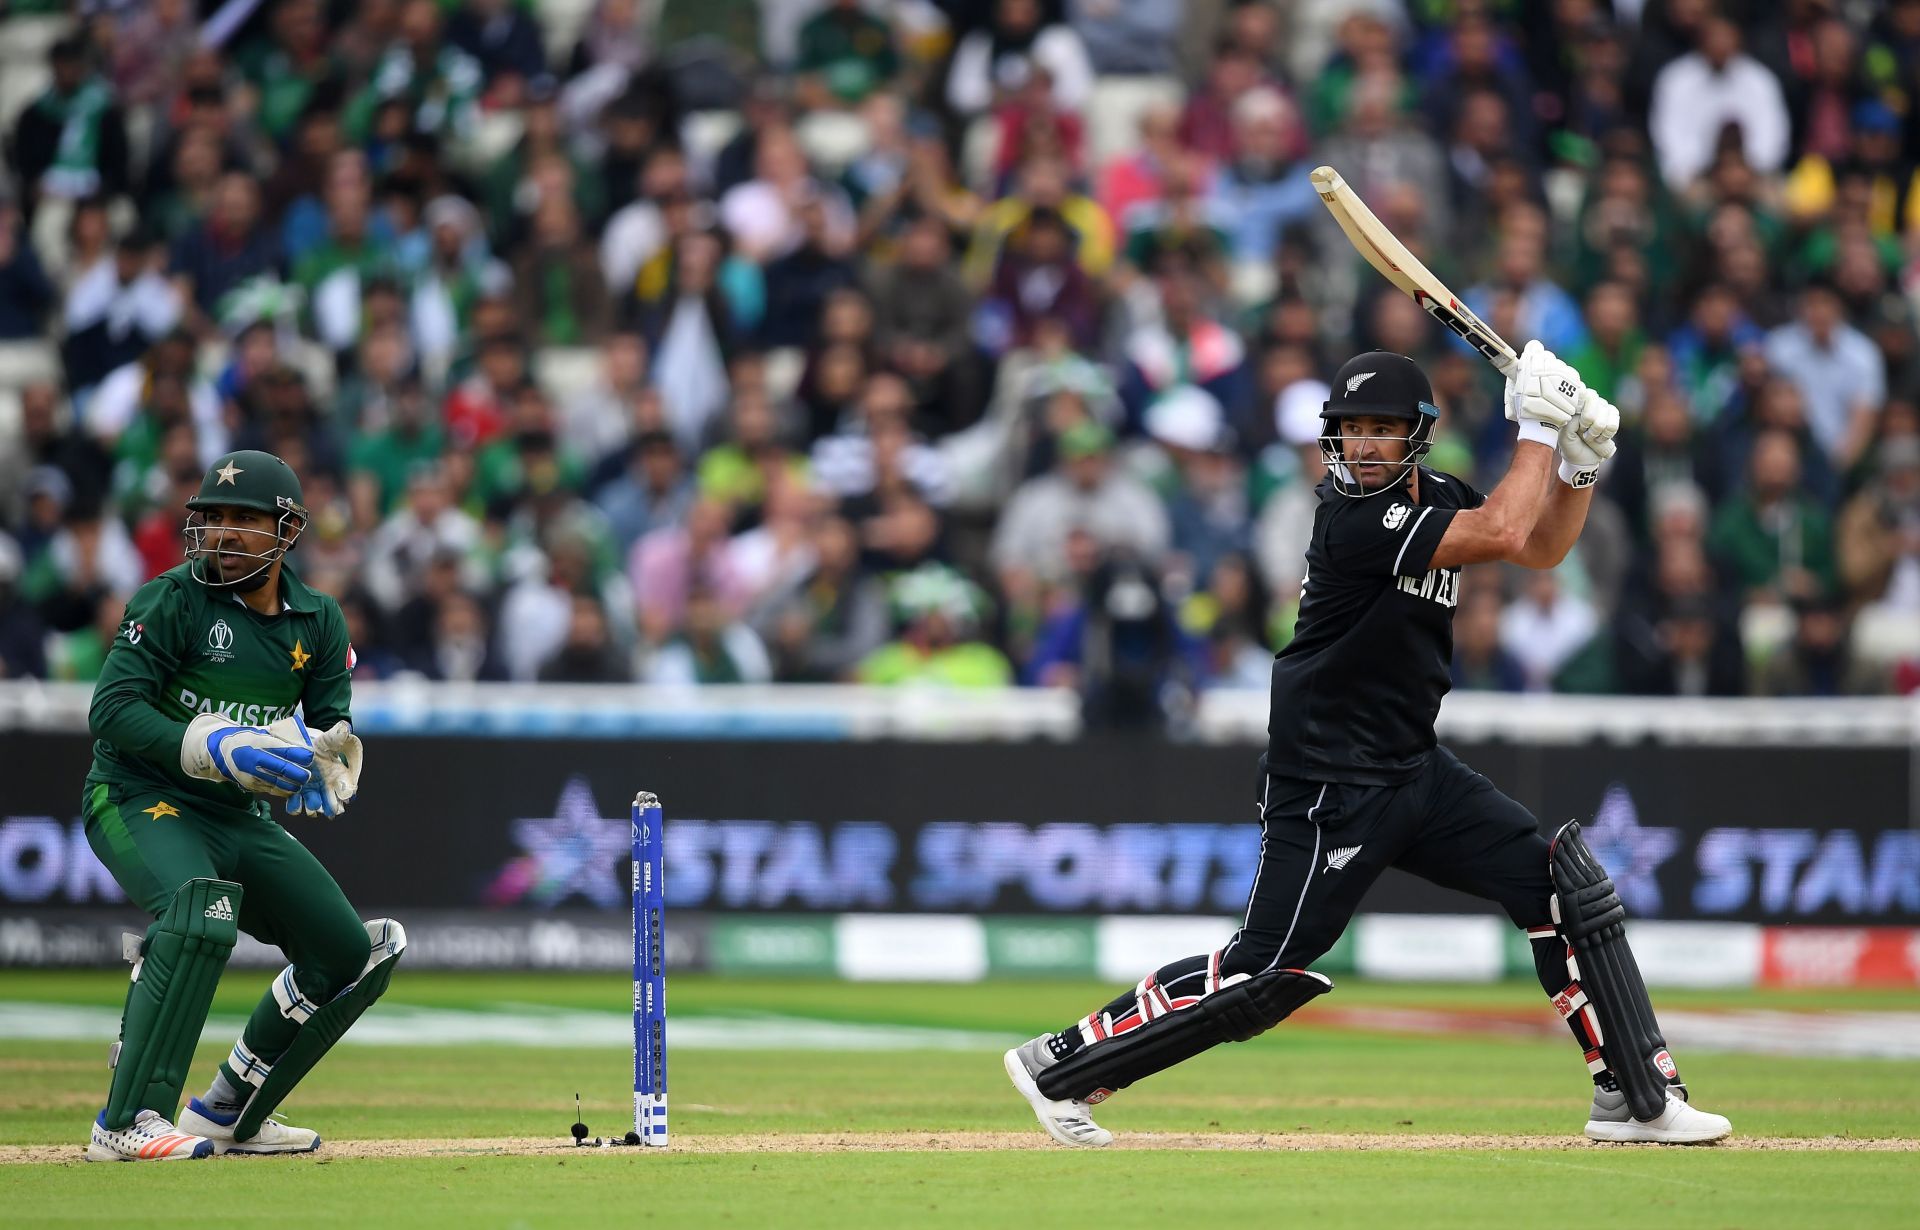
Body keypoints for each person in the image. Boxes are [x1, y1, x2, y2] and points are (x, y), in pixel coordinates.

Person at [1004, 345, 1733, 1148]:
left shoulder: (1438, 498)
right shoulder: (1351, 521)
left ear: (1418, 436)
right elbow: (1503, 526)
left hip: (1415, 770)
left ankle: (1635, 1097)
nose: (1362, 447)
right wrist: (1538, 425)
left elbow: (1538, 547)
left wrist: (1581, 465)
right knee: (1261, 968)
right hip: (1328, 784)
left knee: (1560, 890)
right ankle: (1057, 1067)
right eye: (1349, 432)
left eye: (1382, 430)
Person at [78, 449, 396, 1160]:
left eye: (243, 520)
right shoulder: (172, 600)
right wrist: (212, 743)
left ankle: (228, 1110)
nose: (222, 533)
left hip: (235, 816)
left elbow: (326, 724)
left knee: (349, 951)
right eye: (212, 518)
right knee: (199, 907)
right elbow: (112, 710)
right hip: (136, 796)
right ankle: (126, 1120)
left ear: (287, 531)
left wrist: (320, 757)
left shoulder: (318, 621)